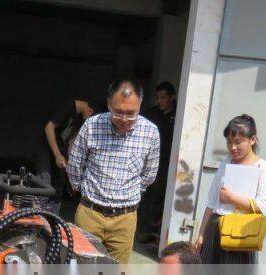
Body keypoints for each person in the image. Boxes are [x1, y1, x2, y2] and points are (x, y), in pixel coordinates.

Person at [66, 79, 161, 264]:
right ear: (109, 104)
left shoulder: (150, 132)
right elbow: (75, 164)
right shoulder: (92, 126)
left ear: (140, 105)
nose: (125, 119)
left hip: (125, 219)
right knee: (81, 269)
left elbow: (149, 175)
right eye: (118, 112)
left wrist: (127, 195)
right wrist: (82, 189)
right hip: (90, 213)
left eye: (131, 113)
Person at [196, 114, 266, 265]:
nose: (233, 147)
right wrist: (201, 234)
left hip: (241, 234)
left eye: (238, 142)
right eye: (229, 142)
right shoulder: (225, 164)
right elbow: (211, 202)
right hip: (215, 228)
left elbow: (263, 205)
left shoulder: (262, 167)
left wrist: (232, 198)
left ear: (252, 139)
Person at [35, 97, 95, 214]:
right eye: (91, 117)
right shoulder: (68, 106)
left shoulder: (81, 119)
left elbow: (72, 142)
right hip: (46, 150)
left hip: (62, 151)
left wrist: (71, 174)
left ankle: (53, 223)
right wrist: (57, 154)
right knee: (44, 185)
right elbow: (49, 127)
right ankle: (37, 221)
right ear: (90, 111)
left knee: (58, 189)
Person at [138, 82, 177, 243]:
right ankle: (144, 231)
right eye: (158, 97)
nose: (160, 101)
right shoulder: (152, 114)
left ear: (172, 97)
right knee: (149, 197)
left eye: (163, 97)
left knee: (164, 199)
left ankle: (158, 232)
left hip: (170, 164)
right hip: (152, 162)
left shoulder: (179, 115)